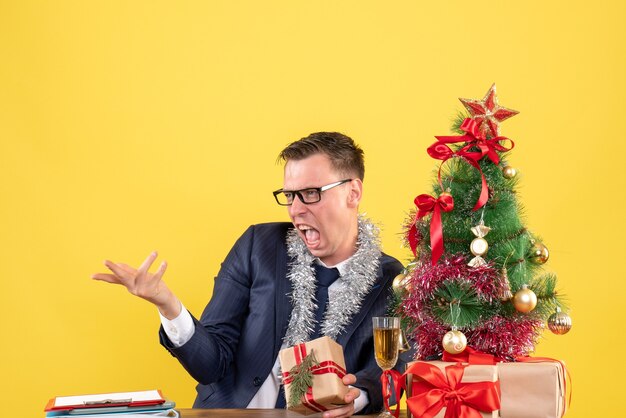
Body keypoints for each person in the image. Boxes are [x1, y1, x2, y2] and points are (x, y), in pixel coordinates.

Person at [93, 132, 404, 417]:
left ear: (353, 193)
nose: (295, 209)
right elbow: (211, 364)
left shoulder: (393, 279)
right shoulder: (259, 247)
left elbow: (392, 370)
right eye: (290, 195)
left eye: (310, 192)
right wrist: (167, 304)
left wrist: (359, 396)